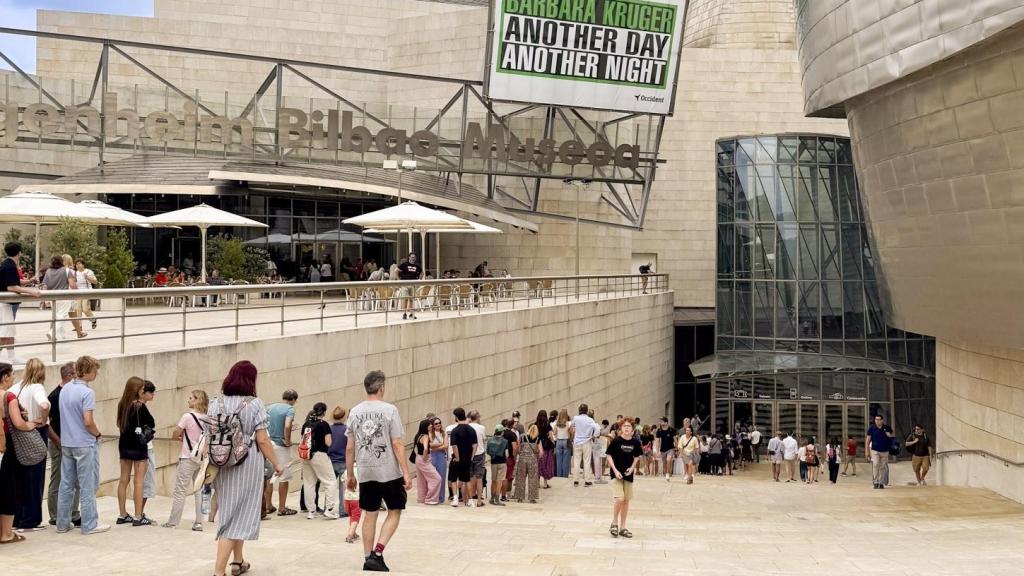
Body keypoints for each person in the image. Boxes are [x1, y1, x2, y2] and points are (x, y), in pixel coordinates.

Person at [208, 360, 282, 576]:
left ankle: (238, 561)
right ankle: (218, 571)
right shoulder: (254, 404)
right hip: (247, 464)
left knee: (232, 510)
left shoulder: (215, 403)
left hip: (221, 462)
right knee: (235, 517)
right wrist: (276, 463)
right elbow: (263, 440)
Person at [345, 370, 411, 573]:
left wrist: (350, 474)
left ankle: (368, 557)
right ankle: (378, 553)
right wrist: (406, 472)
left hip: (366, 471)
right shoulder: (390, 410)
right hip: (388, 471)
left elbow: (350, 447)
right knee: (395, 510)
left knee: (370, 513)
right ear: (382, 387)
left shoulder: (355, 412)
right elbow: (397, 443)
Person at [56, 356, 109, 535]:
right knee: (87, 485)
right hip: (84, 443)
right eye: (95, 370)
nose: (97, 373)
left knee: (66, 484)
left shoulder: (65, 389)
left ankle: (62, 523)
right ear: (87, 371)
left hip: (67, 442)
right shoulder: (87, 392)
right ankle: (89, 524)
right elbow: (88, 421)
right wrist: (97, 434)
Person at [8, 358, 50, 531]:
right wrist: (43, 419)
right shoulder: (37, 387)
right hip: (35, 432)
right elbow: (44, 405)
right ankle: (31, 520)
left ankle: (17, 518)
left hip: (17, 435)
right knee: (35, 478)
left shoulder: (15, 388)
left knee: (20, 478)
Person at [163, 389, 209, 531]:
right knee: (199, 490)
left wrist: (179, 437)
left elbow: (175, 432)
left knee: (180, 491)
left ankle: (173, 522)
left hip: (188, 457)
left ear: (197, 400)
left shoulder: (187, 417)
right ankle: (199, 523)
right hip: (201, 459)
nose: (188, 400)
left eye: (191, 398)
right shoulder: (207, 418)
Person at [115, 377, 154, 526]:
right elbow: (151, 422)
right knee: (139, 480)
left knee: (123, 479)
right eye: (142, 389)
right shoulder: (139, 406)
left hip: (124, 443)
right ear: (137, 390)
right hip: (138, 445)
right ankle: (138, 516)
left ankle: (122, 514)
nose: (143, 391)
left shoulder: (122, 404)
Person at [46, 362, 80, 527]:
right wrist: (57, 441)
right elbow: (47, 423)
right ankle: (55, 515)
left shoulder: (71, 393)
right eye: (75, 374)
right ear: (69, 376)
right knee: (58, 479)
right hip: (59, 442)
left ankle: (73, 513)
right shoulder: (54, 396)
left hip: (72, 441)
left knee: (76, 480)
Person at [1, 242, 41, 363]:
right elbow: (11, 287)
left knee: (9, 331)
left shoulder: (7, 264)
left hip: (5, 304)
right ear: (19, 253)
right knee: (4, 333)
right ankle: (5, 358)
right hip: (4, 304)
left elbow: (15, 281)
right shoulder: (10, 266)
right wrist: (31, 291)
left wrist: (29, 281)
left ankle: (12, 356)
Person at [299, 402, 339, 519]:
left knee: (309, 483)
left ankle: (311, 511)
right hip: (320, 455)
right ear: (324, 412)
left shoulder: (306, 424)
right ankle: (330, 509)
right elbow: (328, 442)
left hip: (306, 455)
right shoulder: (324, 425)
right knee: (330, 481)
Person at [605, 418, 641, 538]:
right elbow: (609, 455)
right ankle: (614, 523)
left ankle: (623, 527)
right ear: (621, 428)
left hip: (628, 475)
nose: (626, 428)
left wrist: (632, 468)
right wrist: (615, 470)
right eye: (624, 426)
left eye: (628, 426)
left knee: (626, 501)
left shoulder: (635, 442)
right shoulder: (616, 441)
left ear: (632, 429)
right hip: (616, 474)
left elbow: (637, 456)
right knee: (619, 498)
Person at [266, 389, 300, 516]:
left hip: (269, 444)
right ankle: (282, 507)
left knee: (269, 476)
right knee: (284, 477)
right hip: (281, 445)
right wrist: (288, 440)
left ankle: (268, 505)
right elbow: (287, 425)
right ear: (294, 399)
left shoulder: (270, 407)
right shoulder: (290, 409)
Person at [43, 255, 85, 341]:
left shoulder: (48, 271)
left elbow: (45, 286)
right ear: (61, 261)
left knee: (56, 316)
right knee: (62, 316)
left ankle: (58, 335)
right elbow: (72, 285)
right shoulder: (66, 270)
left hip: (52, 297)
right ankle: (51, 333)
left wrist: (45, 299)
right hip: (63, 296)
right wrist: (77, 292)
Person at [448, 407, 476, 507]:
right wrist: (471, 457)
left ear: (456, 417)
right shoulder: (471, 429)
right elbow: (475, 445)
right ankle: (471, 500)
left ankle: (455, 499)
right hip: (467, 459)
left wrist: (457, 457)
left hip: (457, 459)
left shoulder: (455, 430)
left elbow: (454, 446)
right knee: (467, 480)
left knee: (453, 479)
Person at [413, 419, 441, 505]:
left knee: (421, 480)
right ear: (425, 426)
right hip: (424, 459)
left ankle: (421, 499)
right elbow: (425, 448)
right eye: (429, 425)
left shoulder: (418, 435)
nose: (431, 425)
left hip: (418, 458)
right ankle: (430, 499)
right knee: (436, 478)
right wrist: (425, 457)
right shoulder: (425, 436)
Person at [327, 406, 349, 516]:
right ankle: (343, 510)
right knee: (343, 488)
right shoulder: (347, 429)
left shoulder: (328, 429)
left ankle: (328, 508)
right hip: (344, 461)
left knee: (330, 487)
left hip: (330, 460)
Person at [569, 404, 598, 487]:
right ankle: (587, 481)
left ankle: (576, 481)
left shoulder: (576, 418)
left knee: (576, 461)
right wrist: (593, 436)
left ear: (579, 410)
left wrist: (573, 435)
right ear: (587, 410)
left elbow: (571, 426)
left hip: (577, 442)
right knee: (587, 461)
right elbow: (597, 429)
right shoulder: (590, 420)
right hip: (587, 442)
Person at [512, 423, 541, 503]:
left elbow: (518, 449)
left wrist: (521, 453)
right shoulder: (538, 439)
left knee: (520, 478)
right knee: (533, 479)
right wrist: (537, 455)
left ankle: (520, 497)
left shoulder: (522, 437)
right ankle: (532, 498)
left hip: (522, 459)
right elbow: (541, 452)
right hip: (533, 460)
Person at [866, 414, 894, 489]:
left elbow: (892, 436)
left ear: (882, 420)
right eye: (876, 419)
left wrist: (889, 435)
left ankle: (881, 482)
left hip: (885, 451)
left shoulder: (886, 427)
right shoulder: (872, 428)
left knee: (883, 467)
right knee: (875, 464)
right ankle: (876, 482)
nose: (877, 421)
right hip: (875, 450)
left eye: (879, 420)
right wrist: (867, 451)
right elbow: (868, 440)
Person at [466, 410, 487, 507]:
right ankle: (479, 500)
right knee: (479, 478)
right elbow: (484, 439)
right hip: (479, 454)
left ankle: (469, 500)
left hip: (469, 454)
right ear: (478, 418)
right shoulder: (482, 428)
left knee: (469, 477)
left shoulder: (467, 427)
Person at [487, 423, 510, 506]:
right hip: (502, 462)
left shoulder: (490, 440)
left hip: (493, 462)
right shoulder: (505, 441)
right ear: (502, 432)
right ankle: (497, 499)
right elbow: (507, 454)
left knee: (493, 481)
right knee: (499, 481)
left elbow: (488, 451)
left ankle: (492, 498)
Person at [396, 252, 423, 320]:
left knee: (411, 299)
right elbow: (396, 270)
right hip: (405, 284)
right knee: (405, 299)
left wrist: (419, 279)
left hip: (413, 284)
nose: (413, 258)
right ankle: (404, 313)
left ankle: (411, 313)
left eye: (414, 257)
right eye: (411, 257)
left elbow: (422, 273)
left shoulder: (417, 266)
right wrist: (399, 280)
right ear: (409, 258)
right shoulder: (405, 264)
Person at [427, 417, 448, 504]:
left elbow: (446, 446)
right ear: (433, 425)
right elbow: (430, 445)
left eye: (439, 422)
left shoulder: (444, 433)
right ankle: (432, 496)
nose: (438, 424)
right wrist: (441, 444)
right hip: (432, 456)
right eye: (436, 423)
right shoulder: (430, 433)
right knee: (433, 477)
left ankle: (440, 497)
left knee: (442, 476)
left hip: (441, 456)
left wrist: (436, 447)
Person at [73, 259, 98, 330]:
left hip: (87, 292)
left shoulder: (88, 271)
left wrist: (87, 277)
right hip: (78, 293)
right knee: (78, 309)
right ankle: (79, 326)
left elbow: (95, 282)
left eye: (79, 263)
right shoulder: (75, 273)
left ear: (83, 264)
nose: (78, 265)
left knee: (85, 309)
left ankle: (93, 320)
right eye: (76, 264)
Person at [536, 410, 555, 488]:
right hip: (547, 447)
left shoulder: (535, 425)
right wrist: (553, 444)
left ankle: (537, 483)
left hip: (537, 446)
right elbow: (551, 436)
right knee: (546, 464)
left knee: (538, 464)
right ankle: (545, 483)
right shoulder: (548, 425)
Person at [341, 466, 361, 544]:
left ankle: (354, 533)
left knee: (352, 516)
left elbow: (343, 483)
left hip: (347, 498)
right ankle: (350, 535)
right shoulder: (361, 470)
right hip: (357, 499)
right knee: (355, 518)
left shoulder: (347, 471)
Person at [554, 409, 571, 477]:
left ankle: (559, 475)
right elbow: (570, 433)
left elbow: (554, 433)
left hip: (558, 441)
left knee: (558, 460)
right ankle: (564, 475)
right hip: (566, 441)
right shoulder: (568, 423)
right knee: (566, 460)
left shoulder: (557, 423)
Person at [592, 418, 610, 484]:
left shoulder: (599, 427)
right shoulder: (604, 429)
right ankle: (600, 474)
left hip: (599, 445)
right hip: (603, 445)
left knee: (599, 461)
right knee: (602, 461)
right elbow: (605, 434)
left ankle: (599, 475)